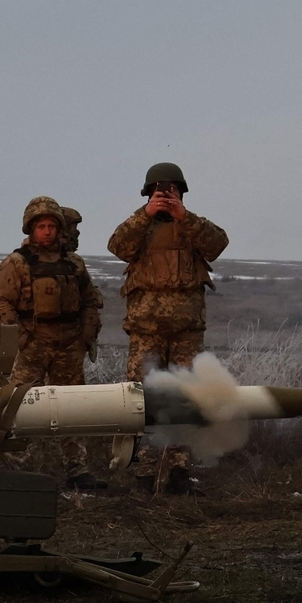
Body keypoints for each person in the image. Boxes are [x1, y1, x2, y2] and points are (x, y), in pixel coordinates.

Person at [107, 162, 228, 494]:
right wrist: (146, 213)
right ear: (149, 193)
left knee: (185, 399)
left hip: (187, 331)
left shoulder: (192, 227)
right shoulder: (139, 227)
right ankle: (143, 474)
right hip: (146, 330)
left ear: (182, 192)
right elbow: (117, 246)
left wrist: (183, 216)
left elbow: (218, 244)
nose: (166, 195)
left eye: (172, 190)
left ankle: (178, 473)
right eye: (160, 190)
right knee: (142, 402)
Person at [0, 196, 105, 491]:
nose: (47, 231)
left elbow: (90, 300)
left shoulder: (74, 264)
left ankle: (77, 469)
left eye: (51, 226)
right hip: (33, 345)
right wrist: (22, 337)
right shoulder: (16, 263)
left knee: (72, 408)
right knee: (20, 406)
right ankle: (15, 469)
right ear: (31, 228)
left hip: (69, 346)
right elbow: (2, 303)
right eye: (41, 226)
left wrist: (86, 333)